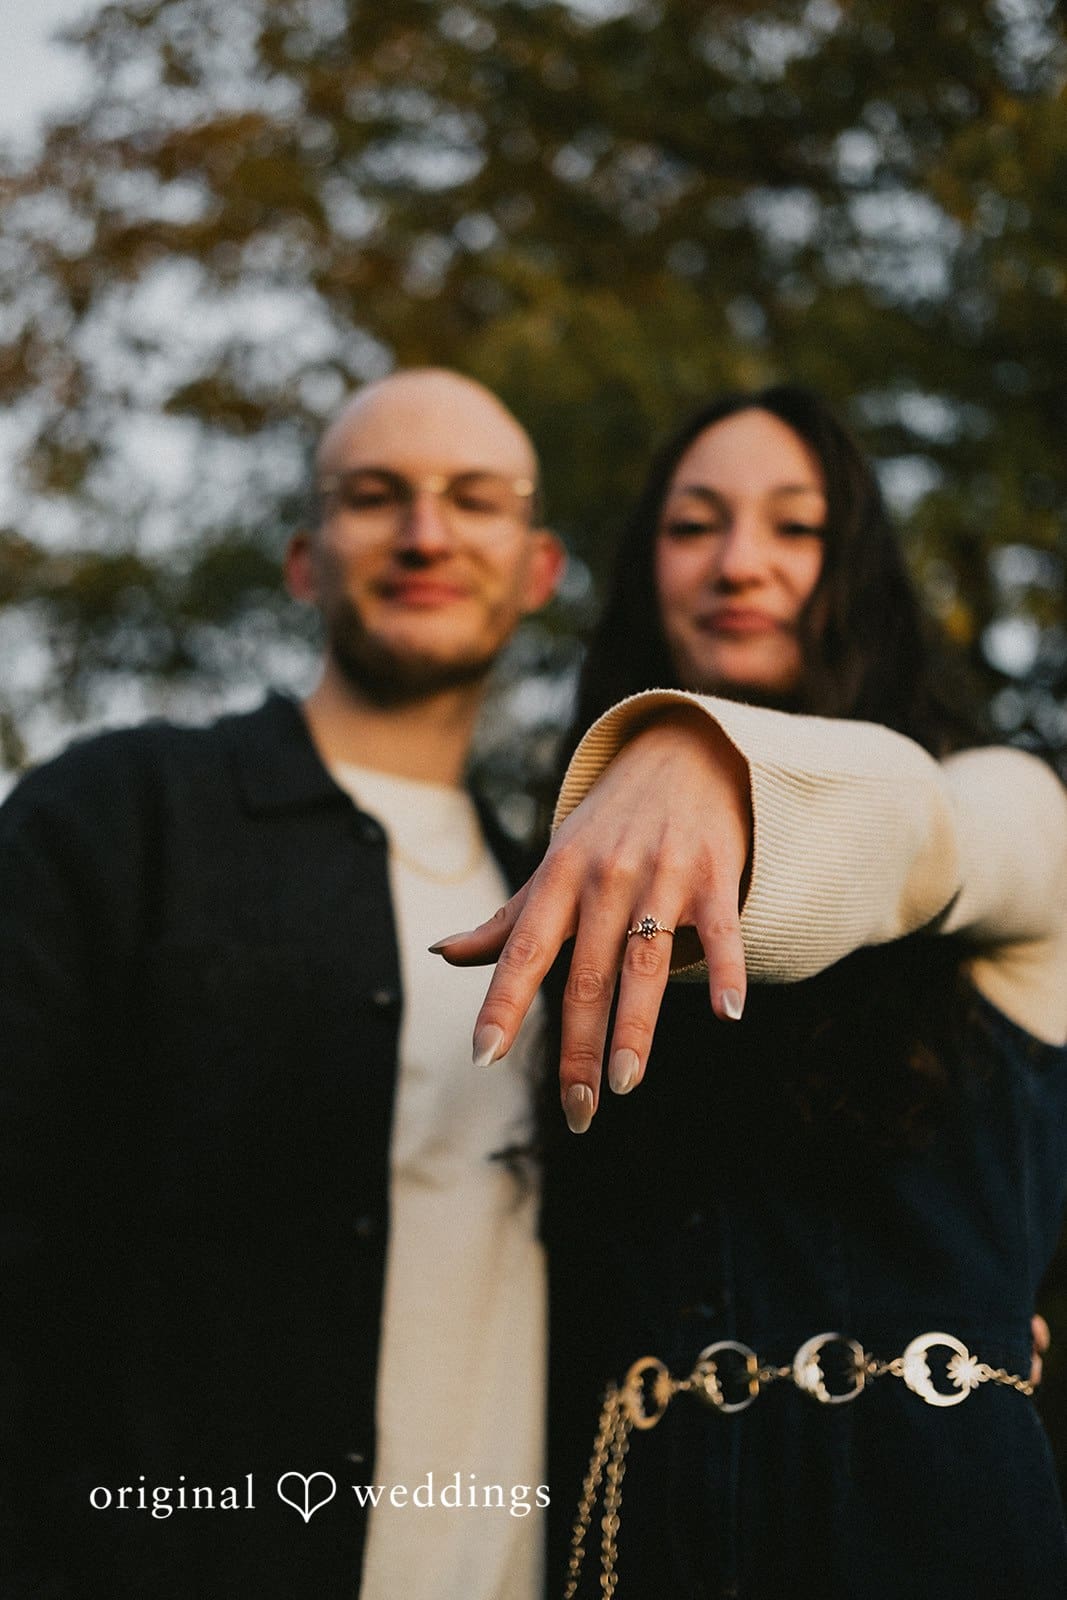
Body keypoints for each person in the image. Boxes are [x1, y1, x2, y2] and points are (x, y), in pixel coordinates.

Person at [434, 388, 1067, 1597]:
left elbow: (923, 829)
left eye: (794, 527)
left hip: (928, 1541)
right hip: (632, 1544)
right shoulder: (550, 899)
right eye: (693, 526)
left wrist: (701, 755)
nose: (738, 563)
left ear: (858, 568)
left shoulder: (1006, 806)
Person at [1, 368, 565, 1600]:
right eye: (377, 496)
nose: (425, 533)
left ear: (536, 568)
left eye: (474, 499)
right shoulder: (116, 819)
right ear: (306, 561)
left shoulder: (572, 907)